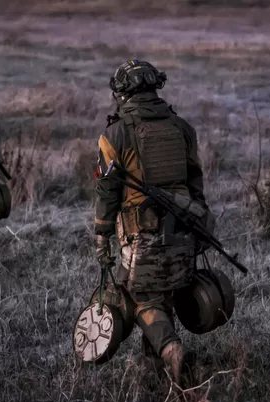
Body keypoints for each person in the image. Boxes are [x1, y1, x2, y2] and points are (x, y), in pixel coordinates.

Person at [93, 60, 211, 383]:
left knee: (139, 297)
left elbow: (106, 192)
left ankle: (172, 351)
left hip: (141, 238)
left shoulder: (114, 134)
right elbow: (196, 185)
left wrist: (102, 238)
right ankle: (158, 378)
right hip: (184, 234)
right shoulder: (182, 128)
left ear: (122, 93)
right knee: (165, 296)